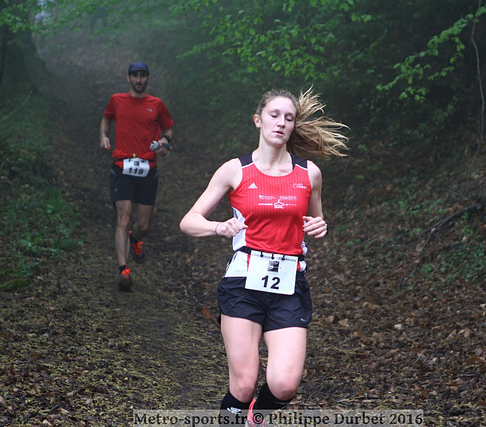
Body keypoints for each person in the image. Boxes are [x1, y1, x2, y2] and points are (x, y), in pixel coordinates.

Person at [180, 87, 348, 426]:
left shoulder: (309, 174)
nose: (282, 123)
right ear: (258, 120)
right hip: (243, 283)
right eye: (274, 115)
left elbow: (315, 222)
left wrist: (320, 228)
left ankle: (255, 418)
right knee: (243, 384)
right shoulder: (235, 170)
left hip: (289, 285)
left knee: (284, 385)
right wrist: (217, 228)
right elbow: (188, 221)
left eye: (289, 118)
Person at [100, 62, 175, 291]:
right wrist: (103, 135)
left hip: (147, 168)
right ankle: (124, 271)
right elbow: (106, 118)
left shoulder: (157, 104)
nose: (139, 80)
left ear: (148, 79)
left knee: (144, 225)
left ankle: (135, 238)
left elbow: (168, 130)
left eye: (143, 76)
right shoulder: (117, 100)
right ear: (128, 78)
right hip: (121, 166)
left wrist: (164, 142)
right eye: (135, 76)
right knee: (123, 218)